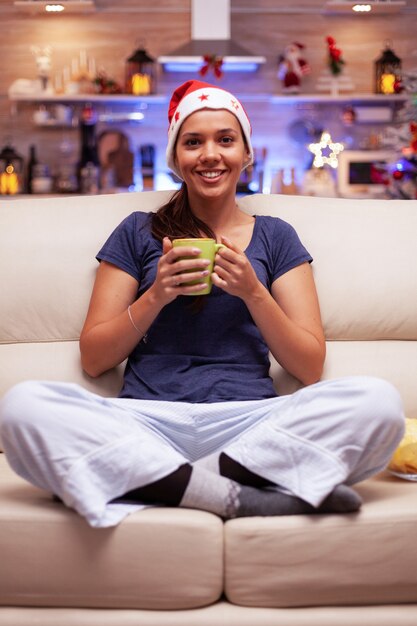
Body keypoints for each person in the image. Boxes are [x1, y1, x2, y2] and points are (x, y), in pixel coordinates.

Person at [0, 80, 405, 528]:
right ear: (176, 159)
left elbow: (309, 366)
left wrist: (254, 292)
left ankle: (167, 484)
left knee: (379, 403)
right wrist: (157, 295)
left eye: (225, 140)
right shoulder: (139, 231)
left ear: (246, 154)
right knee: (22, 405)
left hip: (249, 424)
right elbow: (95, 359)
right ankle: (240, 493)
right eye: (193, 143)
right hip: (147, 422)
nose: (210, 154)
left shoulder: (276, 236)